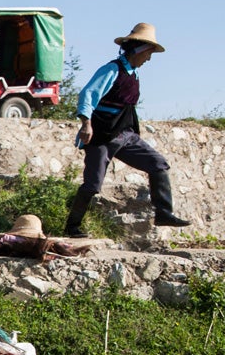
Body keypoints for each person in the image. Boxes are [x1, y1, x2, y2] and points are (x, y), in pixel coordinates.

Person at [65, 22, 190, 238]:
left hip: (126, 136)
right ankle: (72, 227)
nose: (149, 59)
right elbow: (88, 95)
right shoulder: (112, 69)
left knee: (159, 165)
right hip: (102, 137)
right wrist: (86, 124)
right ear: (139, 50)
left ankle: (164, 213)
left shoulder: (134, 74)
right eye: (148, 53)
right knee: (92, 185)